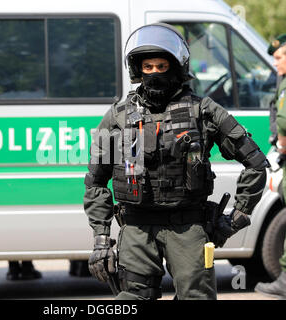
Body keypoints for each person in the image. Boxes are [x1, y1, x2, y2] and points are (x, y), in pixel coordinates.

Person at [84, 23, 269, 300]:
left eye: (161, 66)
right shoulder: (117, 117)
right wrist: (101, 239)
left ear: (176, 67)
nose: (155, 74)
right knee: (132, 299)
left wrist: (237, 218)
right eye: (148, 67)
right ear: (138, 70)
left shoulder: (203, 111)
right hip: (136, 230)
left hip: (188, 228)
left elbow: (255, 163)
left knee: (197, 297)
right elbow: (96, 181)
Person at [254, 34, 286, 299]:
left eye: (279, 58)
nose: (275, 64)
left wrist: (282, 141)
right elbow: (276, 111)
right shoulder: (282, 81)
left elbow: (283, 117)